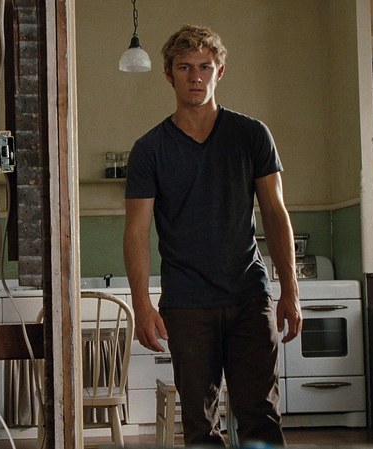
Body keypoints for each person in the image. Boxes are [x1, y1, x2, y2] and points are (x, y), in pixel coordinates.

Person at [123, 24, 302, 447]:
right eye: (185, 67)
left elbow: (275, 214)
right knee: (200, 427)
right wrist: (141, 304)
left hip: (249, 295)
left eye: (205, 66)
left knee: (260, 416)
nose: (196, 76)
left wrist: (291, 289)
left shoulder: (251, 135)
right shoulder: (150, 149)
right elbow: (136, 230)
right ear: (169, 74)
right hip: (187, 304)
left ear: (220, 71)